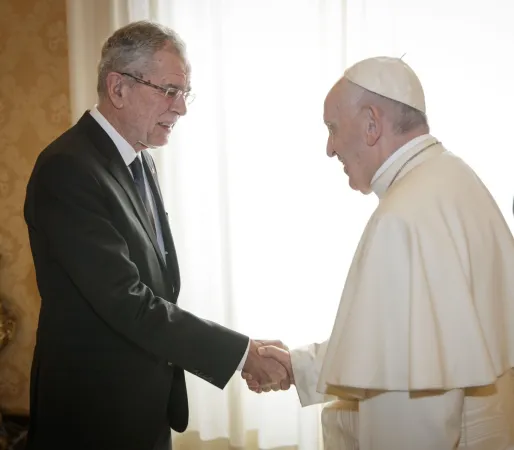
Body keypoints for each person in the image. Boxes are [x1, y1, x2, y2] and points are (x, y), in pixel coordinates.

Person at [23, 20, 286, 450]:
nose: (181, 108)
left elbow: (157, 284)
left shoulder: (139, 160)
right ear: (118, 88)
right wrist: (243, 353)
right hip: (92, 416)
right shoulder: (67, 168)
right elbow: (128, 300)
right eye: (169, 90)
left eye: (185, 93)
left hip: (144, 406)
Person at [244, 56, 514, 449]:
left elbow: (411, 418)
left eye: (332, 128)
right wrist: (298, 366)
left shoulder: (402, 219)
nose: (329, 148)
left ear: (372, 123)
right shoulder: (454, 178)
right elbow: (403, 344)